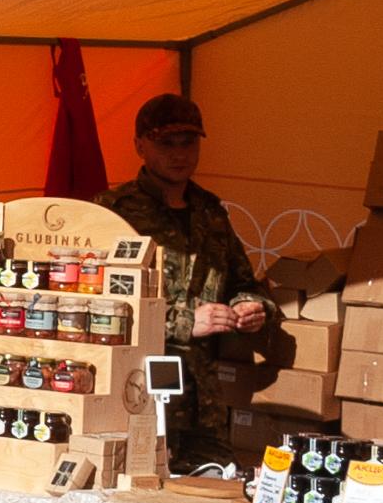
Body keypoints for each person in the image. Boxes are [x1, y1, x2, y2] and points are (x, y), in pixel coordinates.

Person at [101, 93, 274, 473]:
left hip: (204, 404)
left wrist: (251, 308)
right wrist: (184, 322)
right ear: (140, 146)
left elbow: (245, 282)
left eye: (188, 143)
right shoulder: (112, 213)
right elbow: (98, 309)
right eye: (167, 144)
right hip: (138, 398)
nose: (180, 154)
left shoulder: (210, 212)